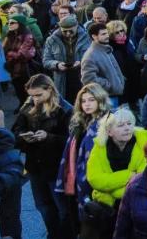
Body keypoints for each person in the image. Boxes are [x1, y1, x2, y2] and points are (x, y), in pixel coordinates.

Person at [12, 74, 72, 239]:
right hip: (35, 166)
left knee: (63, 209)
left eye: (38, 95)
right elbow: (15, 132)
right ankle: (53, 235)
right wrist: (24, 136)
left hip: (57, 168)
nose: (35, 99)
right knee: (43, 206)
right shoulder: (28, 105)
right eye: (31, 95)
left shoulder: (65, 110)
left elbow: (71, 142)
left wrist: (48, 137)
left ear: (50, 90)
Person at [55, 83, 111, 234]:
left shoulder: (108, 122)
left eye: (91, 100)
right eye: (83, 101)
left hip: (97, 179)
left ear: (100, 100)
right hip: (77, 180)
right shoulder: (78, 123)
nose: (86, 104)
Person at [85, 108, 147, 238]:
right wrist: (128, 175)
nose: (127, 128)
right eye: (120, 125)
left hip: (136, 205)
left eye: (129, 124)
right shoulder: (99, 146)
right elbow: (94, 179)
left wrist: (113, 190)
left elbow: (143, 179)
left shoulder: (145, 143)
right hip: (106, 208)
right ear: (109, 131)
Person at [43, 15, 90, 103]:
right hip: (61, 79)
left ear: (76, 27)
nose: (68, 34)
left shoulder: (87, 38)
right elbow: (46, 60)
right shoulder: (51, 40)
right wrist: (57, 64)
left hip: (82, 77)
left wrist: (81, 63)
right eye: (65, 31)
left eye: (71, 31)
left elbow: (93, 57)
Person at [81, 22, 125, 105]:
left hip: (114, 96)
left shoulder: (106, 49)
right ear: (94, 36)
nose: (107, 36)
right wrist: (110, 85)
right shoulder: (90, 55)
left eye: (107, 33)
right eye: (103, 34)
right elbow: (88, 79)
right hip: (105, 99)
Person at [3, 14, 37, 106]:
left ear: (20, 24)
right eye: (8, 22)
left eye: (12, 22)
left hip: (24, 69)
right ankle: (21, 105)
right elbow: (3, 51)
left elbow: (22, 54)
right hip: (12, 68)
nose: (9, 24)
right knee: (18, 90)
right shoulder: (10, 35)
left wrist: (9, 54)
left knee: (27, 90)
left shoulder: (28, 36)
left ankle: (29, 106)